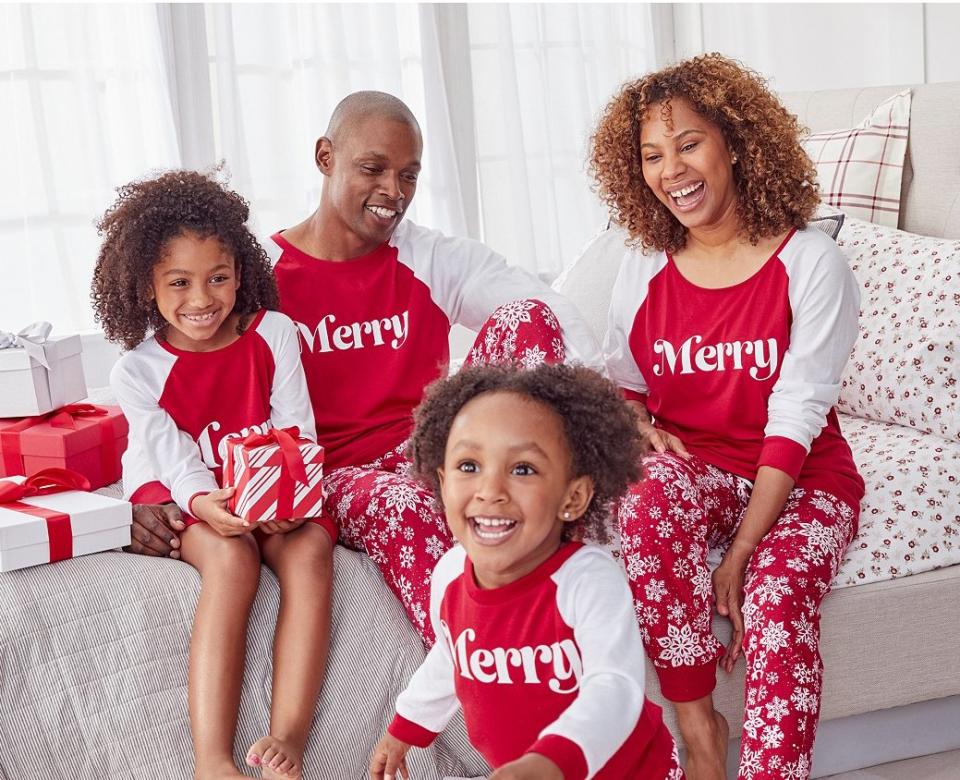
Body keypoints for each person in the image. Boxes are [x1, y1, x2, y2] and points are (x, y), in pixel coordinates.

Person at [126, 91, 602, 647]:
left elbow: (548, 314)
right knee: (405, 504)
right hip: (340, 475)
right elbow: (161, 379)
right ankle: (482, 655)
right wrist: (147, 490)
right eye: (373, 168)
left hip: (437, 450)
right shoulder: (254, 275)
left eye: (409, 175)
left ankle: (572, 575)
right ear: (325, 157)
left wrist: (618, 403)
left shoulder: (431, 258)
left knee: (528, 318)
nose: (393, 192)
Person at [589, 54, 865, 780]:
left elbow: (798, 416)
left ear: (736, 142)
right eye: (651, 154)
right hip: (701, 469)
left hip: (802, 481)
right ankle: (698, 725)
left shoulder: (810, 263)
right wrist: (635, 423)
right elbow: (625, 384)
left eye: (688, 144)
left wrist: (741, 551)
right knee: (644, 503)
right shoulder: (644, 265)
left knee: (774, 600)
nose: (670, 169)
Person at [92, 170, 335, 780]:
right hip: (184, 490)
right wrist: (206, 504)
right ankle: (213, 762)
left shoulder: (274, 336)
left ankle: (288, 739)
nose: (201, 299)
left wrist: (287, 497)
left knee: (309, 548)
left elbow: (296, 431)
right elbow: (173, 459)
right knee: (232, 559)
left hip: (268, 484)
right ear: (146, 287)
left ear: (241, 273)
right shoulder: (138, 371)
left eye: (218, 278)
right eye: (179, 282)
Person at [369, 363, 683, 780]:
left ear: (572, 496)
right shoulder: (449, 576)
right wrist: (404, 728)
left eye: (522, 469)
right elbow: (451, 657)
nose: (490, 491)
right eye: (468, 466)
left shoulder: (587, 580)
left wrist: (550, 761)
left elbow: (615, 687)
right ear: (443, 483)